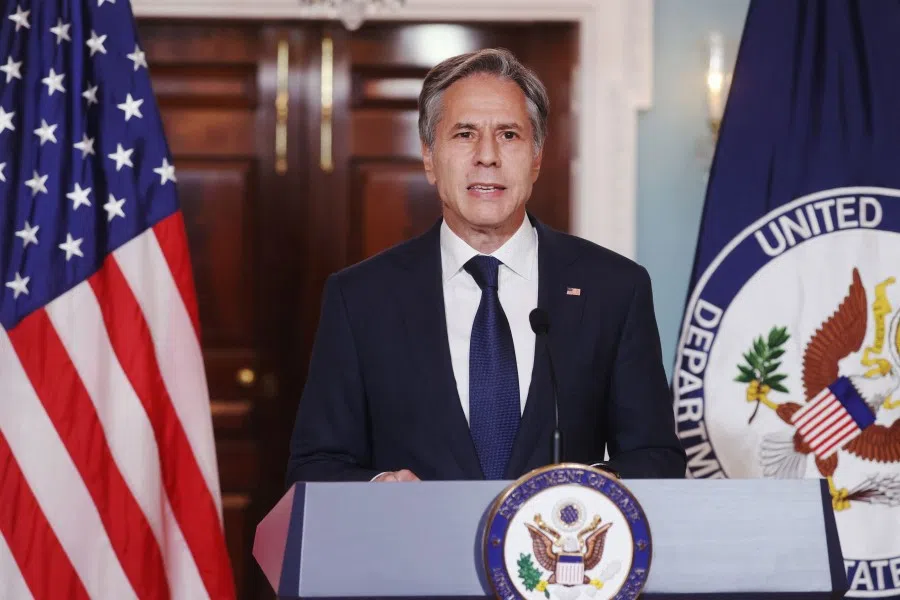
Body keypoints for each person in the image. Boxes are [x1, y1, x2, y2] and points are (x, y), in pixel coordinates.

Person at [286, 48, 686, 484]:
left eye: (509, 135)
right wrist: (378, 489)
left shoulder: (613, 288)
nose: (488, 156)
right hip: (416, 548)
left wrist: (579, 490)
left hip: (557, 548)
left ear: (536, 158)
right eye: (464, 134)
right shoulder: (360, 297)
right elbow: (314, 468)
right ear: (428, 157)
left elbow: (656, 458)